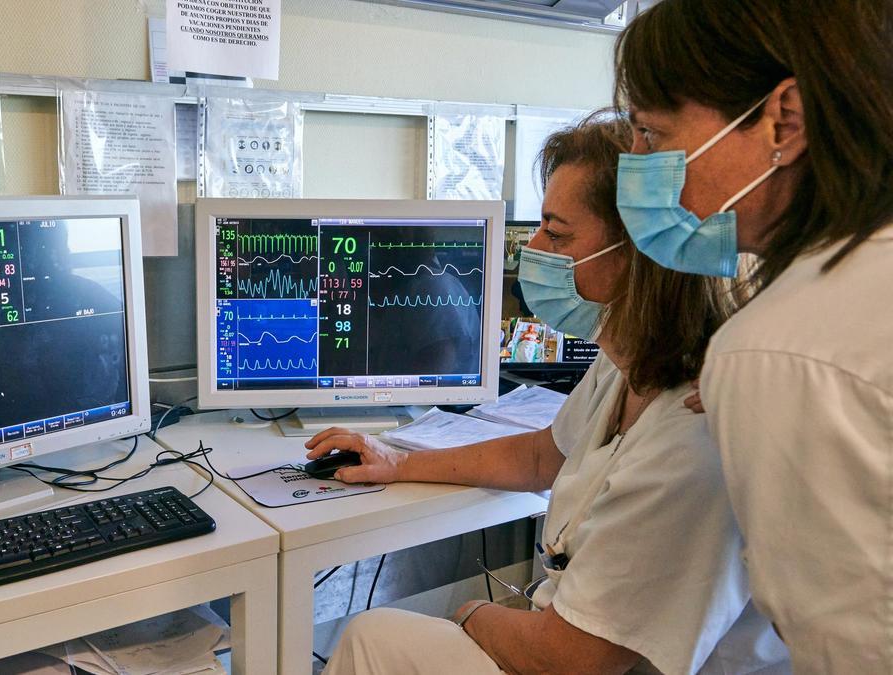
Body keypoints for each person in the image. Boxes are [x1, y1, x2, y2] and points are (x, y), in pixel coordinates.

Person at [308, 117, 788, 674]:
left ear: (641, 253)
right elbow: (541, 455)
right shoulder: (622, 365)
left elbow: (571, 659)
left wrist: (471, 615)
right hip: (573, 640)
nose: (531, 249)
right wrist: (400, 460)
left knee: (373, 636)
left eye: (556, 234)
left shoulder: (689, 429)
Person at [612, 2, 893, 671]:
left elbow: (854, 648)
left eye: (653, 133)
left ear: (783, 121)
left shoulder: (780, 348)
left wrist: (767, 376)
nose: (641, 165)